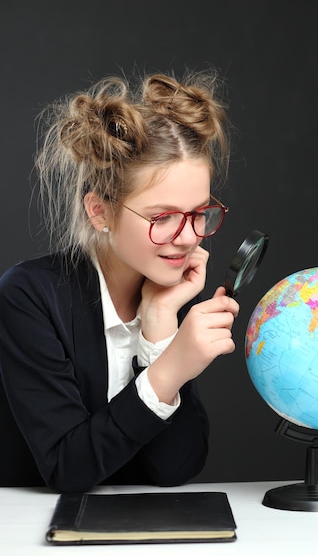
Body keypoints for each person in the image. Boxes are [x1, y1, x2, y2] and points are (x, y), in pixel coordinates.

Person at [0, 70, 239, 493]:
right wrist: (168, 370)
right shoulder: (29, 296)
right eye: (162, 217)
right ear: (100, 212)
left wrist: (161, 323)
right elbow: (67, 469)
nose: (188, 237)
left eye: (200, 213)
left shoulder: (167, 290)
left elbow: (175, 470)